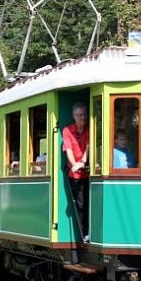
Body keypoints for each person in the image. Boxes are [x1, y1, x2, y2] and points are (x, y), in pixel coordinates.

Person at [62, 102, 90, 241]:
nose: (82, 118)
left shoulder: (90, 129)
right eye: (79, 115)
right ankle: (82, 234)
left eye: (84, 115)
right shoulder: (67, 131)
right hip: (75, 175)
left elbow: (88, 148)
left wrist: (83, 162)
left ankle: (88, 232)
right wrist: (74, 165)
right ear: (73, 116)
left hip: (89, 173)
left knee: (89, 203)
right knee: (80, 204)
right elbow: (69, 150)